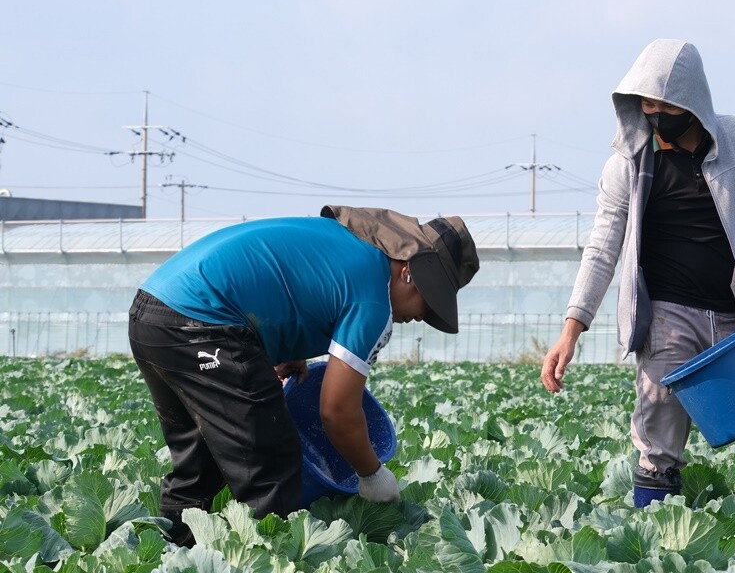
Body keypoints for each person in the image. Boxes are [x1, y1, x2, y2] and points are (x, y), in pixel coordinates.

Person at [540, 39, 735, 507]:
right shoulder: (628, 164)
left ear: (692, 102)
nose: (655, 114)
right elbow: (603, 247)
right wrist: (571, 330)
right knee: (657, 430)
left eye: (665, 104)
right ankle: (654, 540)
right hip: (666, 314)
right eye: (646, 104)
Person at [129, 206, 479, 545]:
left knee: (199, 462)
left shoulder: (350, 244)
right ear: (408, 273)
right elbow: (337, 411)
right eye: (428, 301)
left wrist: (288, 345)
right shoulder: (374, 298)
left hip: (153, 312)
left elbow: (288, 279)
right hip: (201, 321)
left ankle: (172, 558)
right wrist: (373, 476)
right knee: (272, 464)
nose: (421, 316)